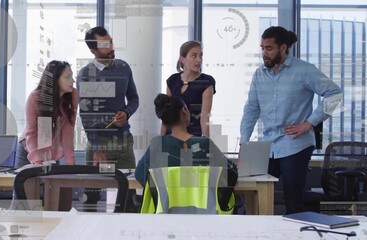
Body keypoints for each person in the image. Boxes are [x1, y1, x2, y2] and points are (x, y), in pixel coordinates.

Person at [240, 26, 343, 214]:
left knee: (293, 199)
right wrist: (244, 143)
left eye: (269, 48)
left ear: (283, 48)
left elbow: (335, 95)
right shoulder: (259, 74)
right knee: (252, 192)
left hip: (295, 145)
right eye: (262, 48)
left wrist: (310, 122)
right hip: (268, 145)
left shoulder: (304, 70)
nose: (264, 53)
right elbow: (251, 110)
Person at [136, 94, 237, 214]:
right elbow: (231, 173)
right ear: (184, 110)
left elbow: (140, 175)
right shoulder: (205, 144)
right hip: (206, 216)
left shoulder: (158, 145)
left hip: (166, 216)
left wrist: (173, 191)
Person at [77, 26, 139, 212]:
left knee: (129, 197)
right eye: (105, 45)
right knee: (92, 199)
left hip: (124, 145)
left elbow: (134, 99)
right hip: (100, 146)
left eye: (111, 41)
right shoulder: (87, 75)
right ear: (93, 51)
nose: (111, 47)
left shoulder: (123, 67)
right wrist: (97, 149)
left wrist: (126, 113)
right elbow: (86, 115)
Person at [15, 60, 78, 168]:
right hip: (30, 149)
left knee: (53, 184)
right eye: (68, 77)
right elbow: (32, 133)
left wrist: (71, 164)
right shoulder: (35, 98)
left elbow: (68, 131)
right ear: (54, 79)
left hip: (51, 152)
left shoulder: (73, 95)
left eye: (72, 76)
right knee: (26, 184)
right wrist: (38, 162)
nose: (72, 81)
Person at [162, 41, 215, 137]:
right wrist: (160, 141)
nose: (199, 60)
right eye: (194, 56)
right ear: (182, 59)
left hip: (193, 139)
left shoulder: (206, 82)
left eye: (201, 56)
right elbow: (166, 115)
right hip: (171, 138)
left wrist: (207, 145)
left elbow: (204, 118)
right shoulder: (172, 80)